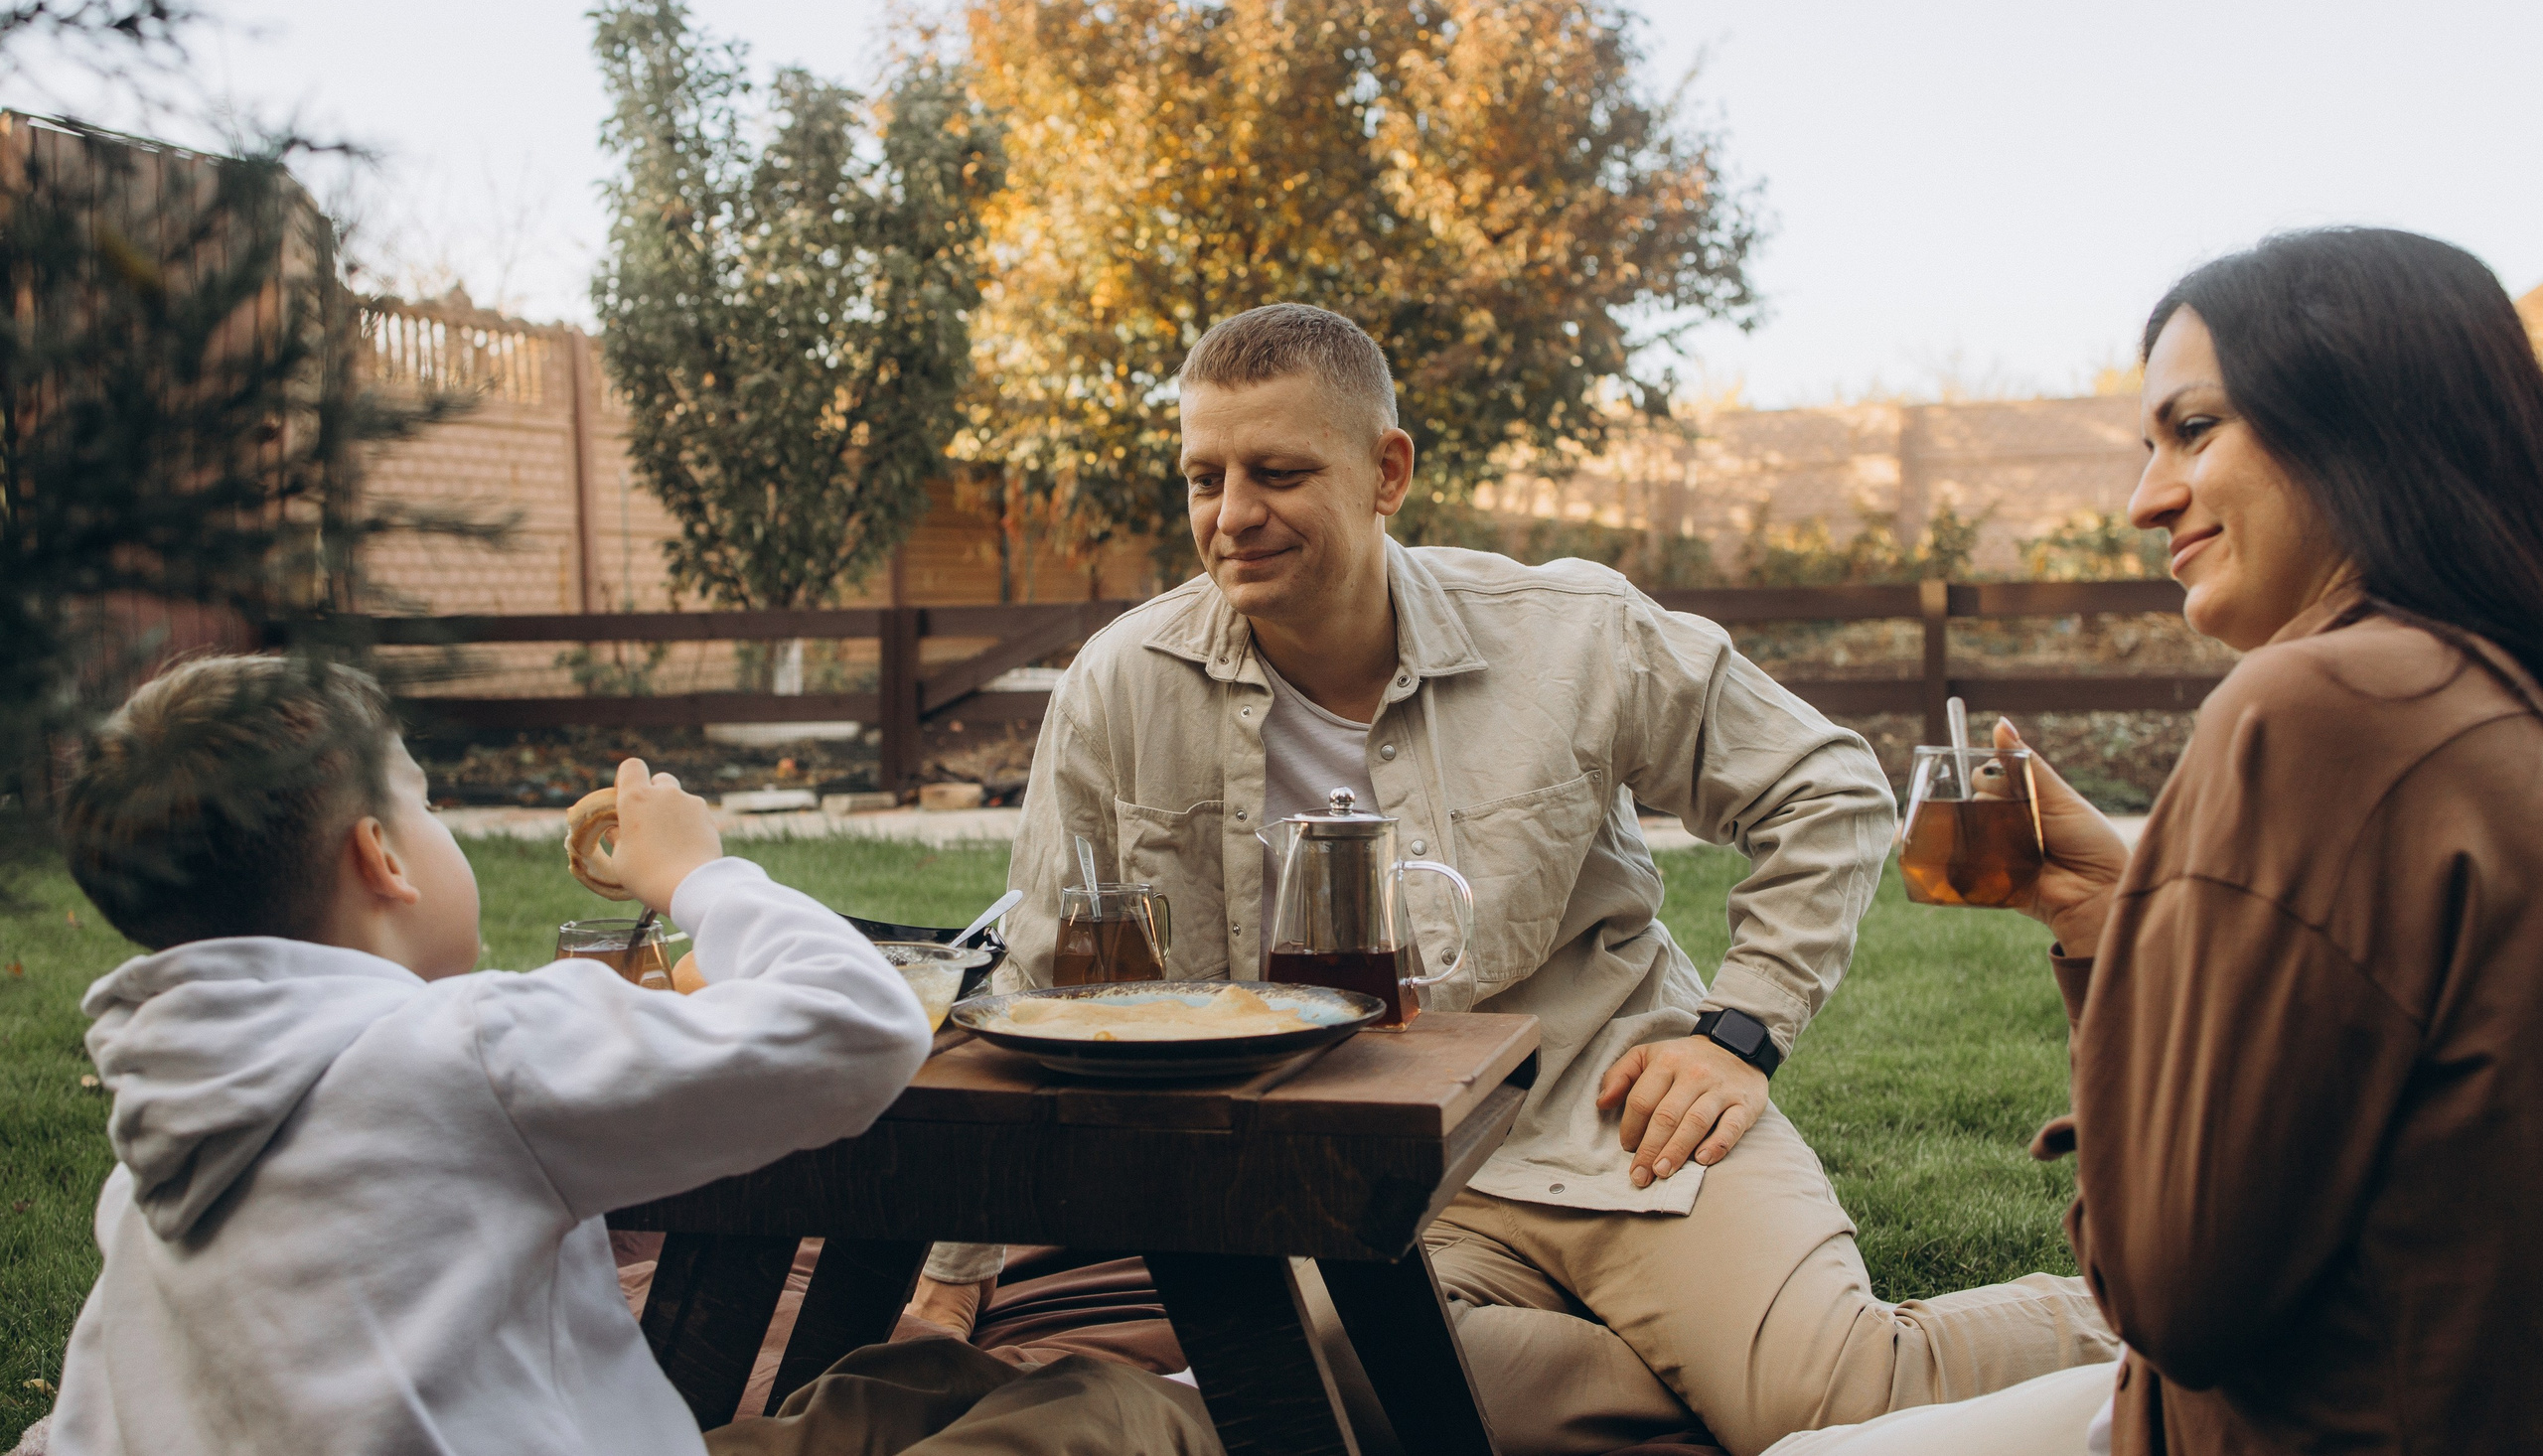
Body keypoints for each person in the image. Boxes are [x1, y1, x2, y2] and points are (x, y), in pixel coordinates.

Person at [915, 304, 2117, 1455]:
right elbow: (1037, 967)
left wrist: (1736, 1035)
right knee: (1321, 1395)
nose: (1233, 514)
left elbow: (1828, 791)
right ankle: (1703, 1388)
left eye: (1278, 473)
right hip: (1358, 1184)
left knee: (1839, 1394)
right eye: (1203, 477)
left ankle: (2151, 1318)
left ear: (1386, 473)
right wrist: (948, 1283)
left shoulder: (1570, 632)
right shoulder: (1120, 685)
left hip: (1624, 1117)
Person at [1761, 227, 2543, 1454]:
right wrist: (2117, 918)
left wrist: (2142, 1004)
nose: (2141, 500)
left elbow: (2171, 1293)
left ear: (2360, 414)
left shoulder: (2321, 706)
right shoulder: (2491, 701)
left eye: (2193, 430)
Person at [46, 655, 1221, 1456]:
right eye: (429, 805)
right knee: (1103, 1415)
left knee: (909, 1387)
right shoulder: (471, 1050)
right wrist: (696, 874)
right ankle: (1227, 1405)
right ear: (381, 859)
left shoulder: (156, 1159)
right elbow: (857, 1021)